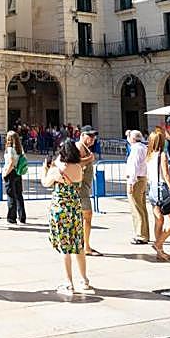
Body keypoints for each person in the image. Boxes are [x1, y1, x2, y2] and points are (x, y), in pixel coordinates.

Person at [42, 138, 92, 296]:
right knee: (78, 245)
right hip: (75, 209)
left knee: (65, 248)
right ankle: (84, 279)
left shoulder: (58, 170)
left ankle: (68, 282)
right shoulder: (78, 168)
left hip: (60, 210)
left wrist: (46, 168)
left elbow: (45, 183)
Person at [146, 127, 170, 262]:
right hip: (162, 189)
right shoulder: (162, 155)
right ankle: (158, 243)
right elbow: (166, 175)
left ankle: (159, 251)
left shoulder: (149, 156)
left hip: (152, 189)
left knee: (158, 220)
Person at [76, 126, 102, 256]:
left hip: (84, 187)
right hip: (81, 189)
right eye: (90, 136)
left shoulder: (85, 148)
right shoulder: (80, 147)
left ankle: (83, 244)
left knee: (83, 217)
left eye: (94, 136)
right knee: (87, 216)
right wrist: (89, 159)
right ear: (82, 135)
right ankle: (86, 246)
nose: (92, 138)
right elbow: (74, 163)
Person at [124, 129, 150, 245]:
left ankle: (140, 235)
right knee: (142, 207)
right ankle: (145, 233)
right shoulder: (144, 148)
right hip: (142, 178)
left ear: (132, 139)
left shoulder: (135, 149)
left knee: (136, 208)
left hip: (136, 179)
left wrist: (130, 182)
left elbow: (133, 167)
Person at [2, 130, 27, 225]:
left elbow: (11, 163)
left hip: (11, 173)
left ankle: (12, 217)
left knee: (11, 195)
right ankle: (22, 216)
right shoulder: (20, 149)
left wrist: (5, 173)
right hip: (18, 173)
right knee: (19, 195)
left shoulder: (10, 149)